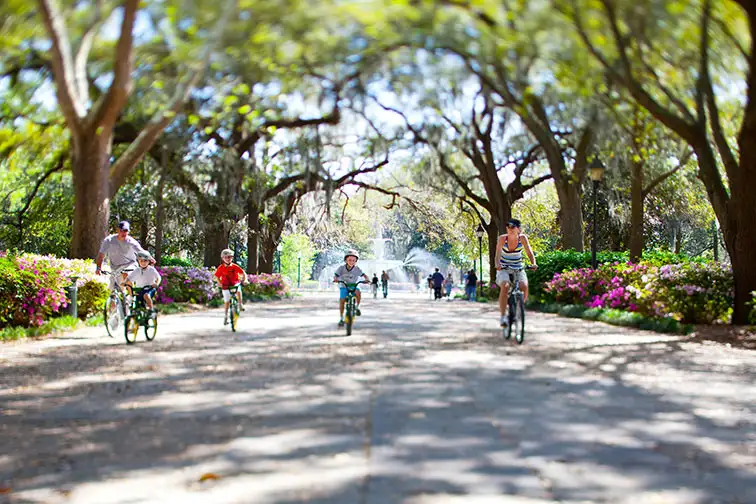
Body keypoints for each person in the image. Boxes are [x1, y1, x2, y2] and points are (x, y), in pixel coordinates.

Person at [495, 218, 538, 327]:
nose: (510, 229)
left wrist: (533, 263)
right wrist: (497, 264)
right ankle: (503, 316)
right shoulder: (502, 239)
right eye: (508, 226)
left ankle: (520, 308)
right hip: (504, 268)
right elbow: (498, 254)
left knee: (524, 286)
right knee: (505, 286)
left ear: (519, 229)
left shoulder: (522, 238)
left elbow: (529, 252)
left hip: (518, 267)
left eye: (513, 227)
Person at [96, 220, 151, 290]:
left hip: (129, 264)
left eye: (126, 231)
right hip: (115, 268)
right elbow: (101, 255)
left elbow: (142, 252)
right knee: (111, 291)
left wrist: (150, 259)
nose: (124, 233)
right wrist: (98, 268)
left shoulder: (131, 242)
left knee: (126, 274)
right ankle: (121, 297)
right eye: (122, 230)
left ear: (128, 232)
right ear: (118, 230)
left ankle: (130, 297)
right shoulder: (108, 241)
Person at [333, 249, 369, 326]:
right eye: (349, 260)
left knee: (358, 292)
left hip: (353, 285)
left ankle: (357, 306)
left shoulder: (357, 269)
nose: (351, 262)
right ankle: (341, 318)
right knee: (342, 300)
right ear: (346, 260)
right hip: (344, 285)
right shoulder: (341, 268)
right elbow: (336, 275)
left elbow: (364, 275)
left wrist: (367, 279)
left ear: (356, 261)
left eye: (353, 260)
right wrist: (335, 279)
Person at [214, 248, 248, 326]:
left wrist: (245, 280)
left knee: (239, 290)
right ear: (222, 258)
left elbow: (243, 273)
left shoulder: (235, 266)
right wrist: (219, 283)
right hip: (225, 286)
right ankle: (226, 316)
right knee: (227, 302)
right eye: (225, 257)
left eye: (229, 257)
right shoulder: (221, 267)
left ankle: (240, 304)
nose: (227, 259)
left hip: (234, 284)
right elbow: (217, 276)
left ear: (232, 258)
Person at [125, 250, 162, 314]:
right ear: (138, 261)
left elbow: (158, 278)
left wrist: (156, 284)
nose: (143, 263)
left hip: (149, 289)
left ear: (148, 261)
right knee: (134, 301)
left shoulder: (151, 269)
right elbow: (128, 278)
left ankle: (151, 309)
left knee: (146, 295)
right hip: (139, 290)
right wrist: (124, 282)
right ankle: (135, 314)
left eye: (145, 261)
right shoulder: (137, 270)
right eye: (141, 261)